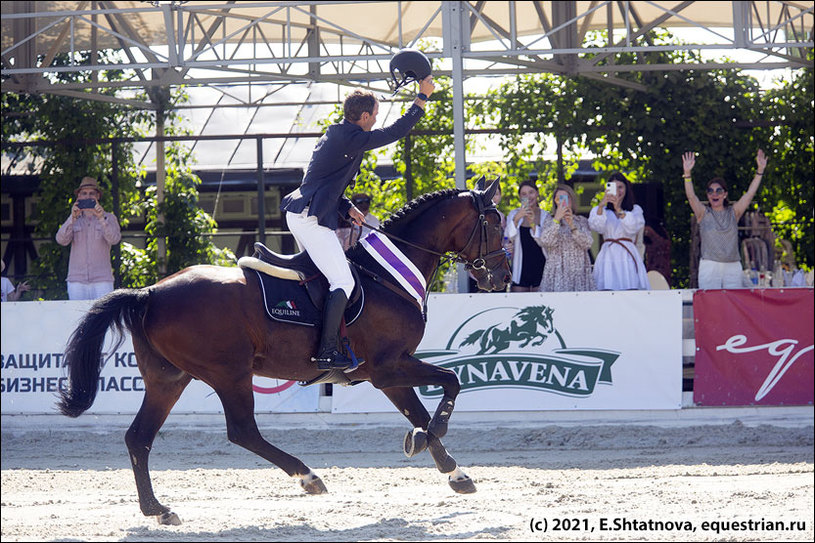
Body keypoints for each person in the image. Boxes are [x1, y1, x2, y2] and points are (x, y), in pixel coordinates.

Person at [280, 77, 435, 370]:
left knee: (339, 276)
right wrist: (421, 99)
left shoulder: (341, 135)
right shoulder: (349, 137)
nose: (376, 121)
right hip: (309, 219)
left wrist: (347, 206)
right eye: (374, 116)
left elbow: (324, 183)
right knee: (344, 280)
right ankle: (326, 352)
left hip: (307, 214)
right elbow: (396, 131)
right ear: (363, 116)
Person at [682, 149, 768, 289]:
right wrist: (687, 174)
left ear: (725, 194)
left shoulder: (734, 212)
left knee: (733, 304)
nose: (714, 194)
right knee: (710, 304)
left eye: (719, 191)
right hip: (709, 266)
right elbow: (691, 197)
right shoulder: (703, 213)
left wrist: (760, 170)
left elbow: (750, 194)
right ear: (707, 195)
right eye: (710, 191)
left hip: (732, 267)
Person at [56, 177, 122, 300]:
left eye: (91, 193)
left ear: (98, 196)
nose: (87, 196)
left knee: (103, 318)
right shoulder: (73, 219)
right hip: (77, 280)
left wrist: (101, 218)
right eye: (84, 193)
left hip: (102, 279)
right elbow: (61, 240)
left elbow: (114, 239)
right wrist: (72, 218)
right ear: (79, 197)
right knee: (78, 318)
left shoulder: (109, 217)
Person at [588, 172, 649, 290]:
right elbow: (596, 226)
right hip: (608, 255)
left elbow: (632, 228)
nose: (618, 191)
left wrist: (619, 209)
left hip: (627, 255)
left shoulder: (635, 210)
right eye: (614, 187)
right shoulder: (602, 210)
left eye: (620, 187)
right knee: (606, 290)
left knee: (630, 289)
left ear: (626, 188)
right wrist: (601, 205)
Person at [537, 184, 595, 292]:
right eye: (559, 199)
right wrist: (557, 219)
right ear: (555, 202)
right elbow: (546, 241)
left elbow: (588, 243)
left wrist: (572, 225)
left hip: (579, 273)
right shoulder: (549, 220)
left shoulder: (581, 220)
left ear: (572, 200)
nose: (563, 202)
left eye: (566, 198)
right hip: (557, 273)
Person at [504, 179, 548, 292]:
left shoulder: (545, 215)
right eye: (524, 194)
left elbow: (545, 241)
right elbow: (508, 237)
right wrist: (517, 218)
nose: (528, 196)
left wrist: (532, 223)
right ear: (519, 197)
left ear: (537, 193)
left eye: (531, 192)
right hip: (521, 268)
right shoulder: (514, 214)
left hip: (542, 268)